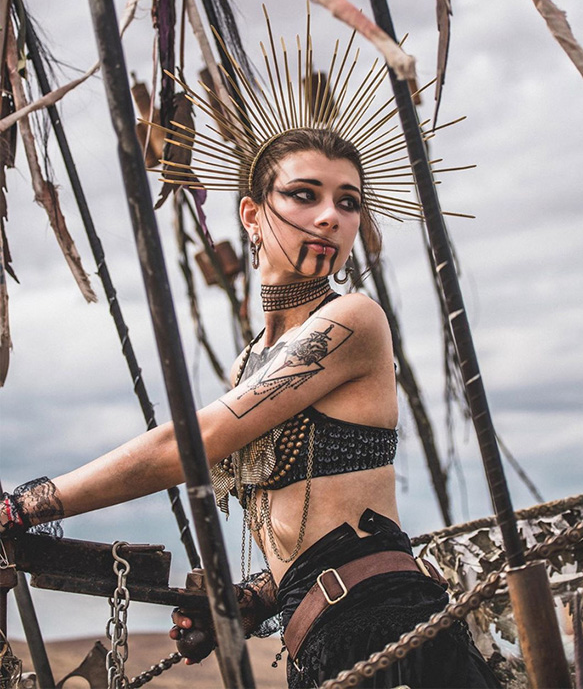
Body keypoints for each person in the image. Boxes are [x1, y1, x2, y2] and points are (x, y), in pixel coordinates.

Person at [1, 127, 499, 687]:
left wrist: (24, 506)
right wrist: (258, 597)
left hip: (386, 627)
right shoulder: (246, 364)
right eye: (305, 195)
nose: (330, 217)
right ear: (252, 214)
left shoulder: (353, 320)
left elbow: (190, 444)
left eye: (348, 202)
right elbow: (301, 521)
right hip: (318, 637)